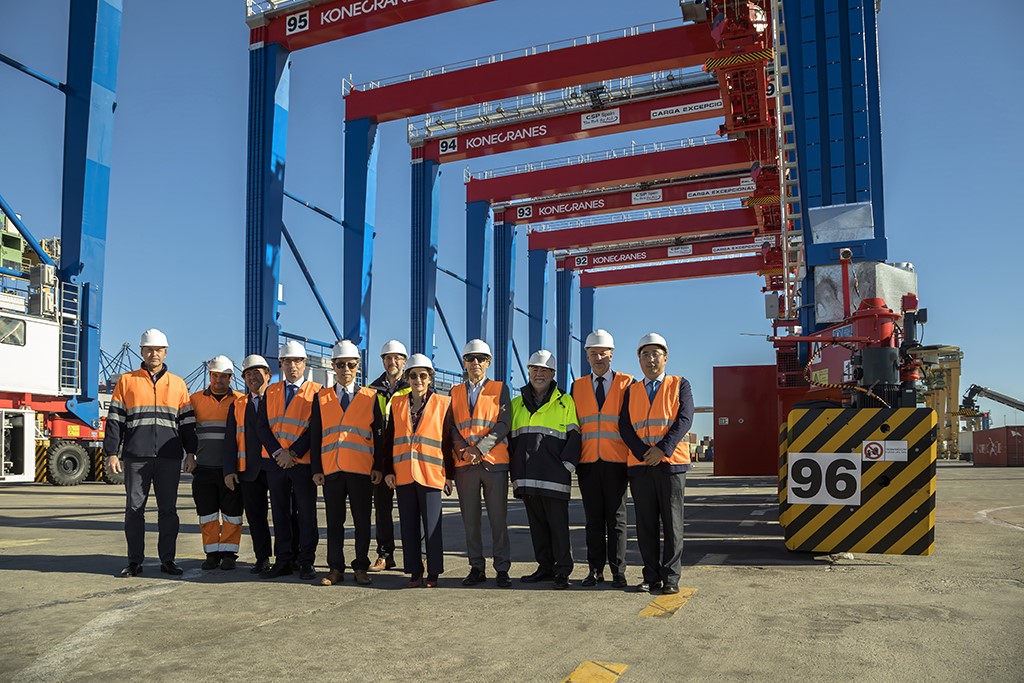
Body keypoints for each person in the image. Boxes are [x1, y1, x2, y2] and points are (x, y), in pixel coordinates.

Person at [104, 328, 196, 577]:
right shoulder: (126, 381)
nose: (154, 353)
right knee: (134, 510)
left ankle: (168, 560)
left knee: (168, 511)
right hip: (136, 456)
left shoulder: (178, 384)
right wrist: (111, 452)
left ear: (165, 352)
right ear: (142, 351)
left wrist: (191, 453)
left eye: (158, 349)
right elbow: (115, 420)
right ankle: (134, 562)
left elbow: (186, 422)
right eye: (149, 349)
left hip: (169, 457)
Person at [619, 333, 694, 595]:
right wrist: (643, 453)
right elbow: (625, 426)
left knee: (673, 524)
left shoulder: (679, 384)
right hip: (641, 467)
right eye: (645, 354)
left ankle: (671, 577)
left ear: (665, 357)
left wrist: (661, 450)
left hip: (670, 464)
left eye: (655, 354)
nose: (650, 359)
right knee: (645, 525)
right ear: (639, 359)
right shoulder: (632, 390)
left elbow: (684, 419)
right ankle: (650, 576)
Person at [310, 340, 385, 587]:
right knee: (334, 522)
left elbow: (379, 435)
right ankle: (335, 568)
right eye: (341, 364)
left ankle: (361, 567)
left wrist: (378, 467)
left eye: (351, 365)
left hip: (361, 470)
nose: (346, 369)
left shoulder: (370, 397)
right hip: (332, 470)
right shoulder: (321, 397)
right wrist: (316, 469)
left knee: (362, 521)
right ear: (333, 366)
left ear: (358, 366)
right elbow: (316, 434)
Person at [381, 354, 454, 588]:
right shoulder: (399, 404)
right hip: (403, 474)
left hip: (431, 475)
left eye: (423, 375)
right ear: (407, 378)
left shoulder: (443, 404)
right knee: (408, 525)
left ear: (430, 378)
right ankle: (414, 572)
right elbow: (389, 439)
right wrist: (388, 470)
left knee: (432, 527)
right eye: (413, 375)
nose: (418, 380)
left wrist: (449, 475)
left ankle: (433, 573)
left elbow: (447, 442)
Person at [510, 350, 580, 589]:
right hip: (527, 476)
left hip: (554, 476)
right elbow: (510, 440)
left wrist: (566, 467)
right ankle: (545, 567)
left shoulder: (565, 401)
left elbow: (575, 437)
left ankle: (562, 570)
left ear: (553, 374)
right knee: (537, 526)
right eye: (535, 369)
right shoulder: (516, 404)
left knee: (558, 527)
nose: (539, 374)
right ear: (528, 371)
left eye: (544, 370)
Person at [445, 339, 512, 589]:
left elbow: (504, 424)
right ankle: (476, 567)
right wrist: (463, 450)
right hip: (465, 465)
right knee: (470, 521)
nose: (475, 363)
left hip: (493, 464)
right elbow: (451, 426)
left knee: (498, 520)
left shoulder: (500, 388)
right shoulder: (454, 392)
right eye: (470, 358)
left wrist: (479, 449)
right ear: (464, 362)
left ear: (489, 362)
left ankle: (502, 569)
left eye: (481, 359)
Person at [255, 340, 322, 580]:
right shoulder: (270, 391)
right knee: (281, 512)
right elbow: (262, 426)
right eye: (287, 361)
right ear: (281, 364)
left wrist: (292, 453)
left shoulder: (317, 391)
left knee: (306, 513)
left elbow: (316, 428)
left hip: (302, 463)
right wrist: (278, 453)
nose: (292, 366)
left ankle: (306, 561)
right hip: (276, 464)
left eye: (297, 361)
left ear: (304, 363)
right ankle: (283, 559)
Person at [571, 330, 632, 589]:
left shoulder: (627, 383)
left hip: (616, 461)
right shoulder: (578, 386)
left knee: (616, 520)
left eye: (602, 353)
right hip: (588, 462)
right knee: (593, 519)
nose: (598, 357)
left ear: (612, 354)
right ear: (586, 356)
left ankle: (619, 571)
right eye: (593, 353)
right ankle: (594, 570)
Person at [187, 355, 242, 570]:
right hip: (204, 468)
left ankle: (229, 554)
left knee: (233, 514)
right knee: (207, 513)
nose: (219, 380)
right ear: (210, 376)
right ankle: (211, 554)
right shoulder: (195, 400)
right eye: (215, 375)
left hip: (231, 470)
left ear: (230, 378)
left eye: (224, 376)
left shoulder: (240, 400)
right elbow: (187, 432)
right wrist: (189, 455)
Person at [223, 354, 274, 574]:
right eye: (248, 374)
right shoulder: (238, 404)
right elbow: (230, 439)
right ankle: (262, 557)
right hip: (249, 469)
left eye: (257, 373)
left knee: (286, 514)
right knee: (255, 516)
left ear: (268, 375)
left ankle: (289, 557)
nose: (253, 377)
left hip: (276, 467)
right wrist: (229, 470)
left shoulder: (278, 400)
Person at [366, 339, 410, 572]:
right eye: (387, 358)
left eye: (396, 358)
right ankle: (385, 554)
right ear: (382, 361)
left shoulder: (413, 386)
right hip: (381, 458)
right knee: (382, 509)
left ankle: (417, 555)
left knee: (411, 508)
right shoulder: (373, 390)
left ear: (404, 361)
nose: (391, 362)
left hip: (405, 456)